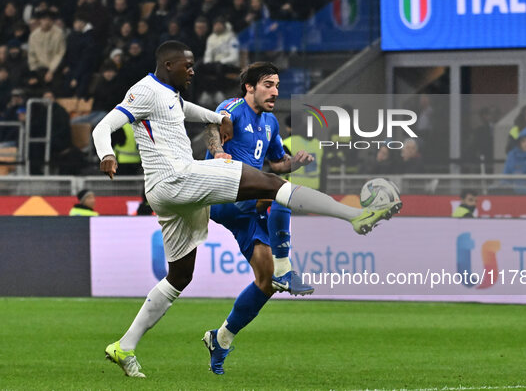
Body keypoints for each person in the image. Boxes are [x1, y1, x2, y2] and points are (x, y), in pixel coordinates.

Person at [92, 41, 401, 379]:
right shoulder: (146, 91)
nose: (193, 70)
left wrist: (218, 118)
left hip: (175, 192)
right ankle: (353, 217)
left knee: (183, 275)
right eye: (188, 65)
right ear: (168, 65)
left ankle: (129, 345)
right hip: (181, 178)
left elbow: (191, 113)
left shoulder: (173, 95)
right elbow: (103, 126)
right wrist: (106, 153)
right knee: (271, 189)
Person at [205, 64, 316, 297]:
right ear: (249, 87)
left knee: (266, 282)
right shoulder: (232, 107)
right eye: (268, 85)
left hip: (245, 204)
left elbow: (277, 163)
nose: (275, 92)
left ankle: (222, 334)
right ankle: (285, 269)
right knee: (285, 192)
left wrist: (295, 161)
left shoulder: (271, 122)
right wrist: (217, 151)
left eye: (276, 86)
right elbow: (215, 125)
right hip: (222, 195)